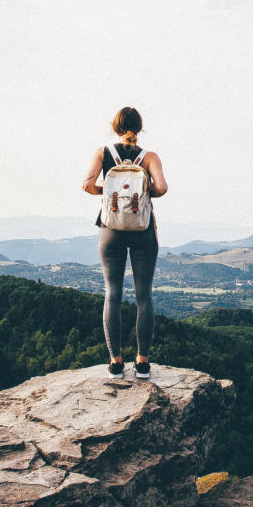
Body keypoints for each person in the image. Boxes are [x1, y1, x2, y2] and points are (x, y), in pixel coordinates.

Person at [82, 106, 168, 380]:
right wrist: (143, 193)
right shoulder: (149, 157)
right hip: (142, 228)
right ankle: (142, 362)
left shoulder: (103, 153)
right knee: (144, 296)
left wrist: (108, 194)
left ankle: (116, 362)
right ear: (139, 128)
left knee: (113, 294)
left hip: (110, 229)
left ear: (115, 127)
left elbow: (86, 184)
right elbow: (162, 188)